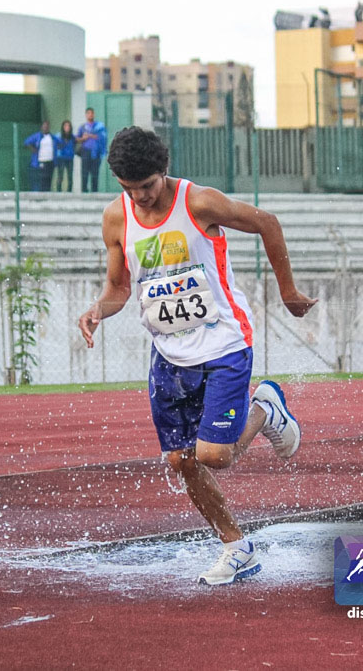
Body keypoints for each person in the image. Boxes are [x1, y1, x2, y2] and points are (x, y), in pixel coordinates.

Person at [77, 127, 317, 586]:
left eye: (146, 186)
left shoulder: (198, 202)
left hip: (224, 342)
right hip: (169, 352)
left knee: (215, 456)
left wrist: (287, 291)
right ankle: (236, 547)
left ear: (162, 172)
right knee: (180, 461)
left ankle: (265, 409)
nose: (140, 198)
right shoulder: (116, 218)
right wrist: (97, 310)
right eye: (129, 190)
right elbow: (119, 288)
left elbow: (268, 222)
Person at [77, 107, 107, 193]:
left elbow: (102, 137)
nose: (90, 115)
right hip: (85, 151)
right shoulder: (82, 127)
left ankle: (95, 191)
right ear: (86, 115)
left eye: (92, 113)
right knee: (84, 172)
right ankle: (84, 191)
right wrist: (83, 138)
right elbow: (77, 139)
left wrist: (90, 135)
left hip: (96, 152)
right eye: (88, 113)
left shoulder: (99, 126)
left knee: (95, 173)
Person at [24, 121, 57, 192]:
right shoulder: (37, 136)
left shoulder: (52, 137)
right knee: (41, 179)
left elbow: (60, 143)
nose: (46, 128)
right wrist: (32, 148)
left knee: (48, 179)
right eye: (44, 126)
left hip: (50, 162)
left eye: (47, 126)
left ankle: (47, 194)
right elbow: (26, 142)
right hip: (40, 161)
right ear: (42, 127)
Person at [54, 120, 76, 192]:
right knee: (60, 176)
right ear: (63, 127)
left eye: (69, 126)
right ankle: (58, 191)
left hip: (70, 158)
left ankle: (69, 191)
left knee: (70, 176)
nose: (67, 128)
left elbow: (76, 143)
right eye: (65, 126)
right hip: (61, 158)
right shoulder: (58, 136)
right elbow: (55, 145)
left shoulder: (72, 137)